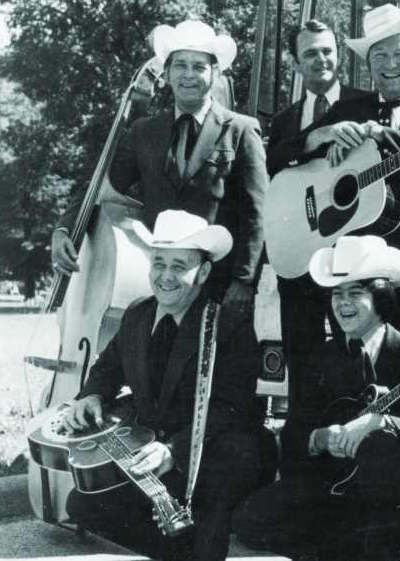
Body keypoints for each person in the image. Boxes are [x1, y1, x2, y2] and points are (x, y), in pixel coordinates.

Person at [60, 209, 276, 561]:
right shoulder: (136, 315)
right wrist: (91, 396)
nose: (166, 276)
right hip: (148, 454)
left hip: (205, 458)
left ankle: (204, 546)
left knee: (238, 453)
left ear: (203, 272)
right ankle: (176, 545)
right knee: (81, 505)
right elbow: (107, 368)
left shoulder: (229, 325)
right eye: (159, 264)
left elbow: (229, 411)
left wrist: (174, 450)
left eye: (179, 266)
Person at [267, 3, 400, 351]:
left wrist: (378, 134)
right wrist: (320, 136)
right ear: (368, 65)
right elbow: (276, 158)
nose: (389, 65)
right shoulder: (348, 111)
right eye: (379, 56)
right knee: (359, 382)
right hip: (358, 281)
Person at [232, 235, 400, 561]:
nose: (343, 303)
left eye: (355, 293)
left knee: (379, 452)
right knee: (248, 518)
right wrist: (321, 438)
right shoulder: (322, 356)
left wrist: (381, 423)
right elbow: (292, 434)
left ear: (382, 297)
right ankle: (331, 548)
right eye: (336, 294)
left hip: (391, 493)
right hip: (332, 485)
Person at [51, 20, 268, 319]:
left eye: (199, 66)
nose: (189, 74)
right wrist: (65, 228)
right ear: (166, 74)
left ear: (215, 74)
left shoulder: (242, 129)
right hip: (158, 284)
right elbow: (100, 183)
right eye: (180, 65)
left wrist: (244, 280)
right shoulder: (144, 131)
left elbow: (257, 212)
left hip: (218, 284)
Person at [265, 20, 375, 399]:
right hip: (299, 260)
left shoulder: (366, 104)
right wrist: (315, 137)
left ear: (340, 55)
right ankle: (303, 448)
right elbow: (272, 164)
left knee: (356, 360)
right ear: (295, 63)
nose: (321, 59)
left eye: (328, 51)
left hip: (350, 260)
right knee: (302, 366)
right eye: (310, 53)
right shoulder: (284, 121)